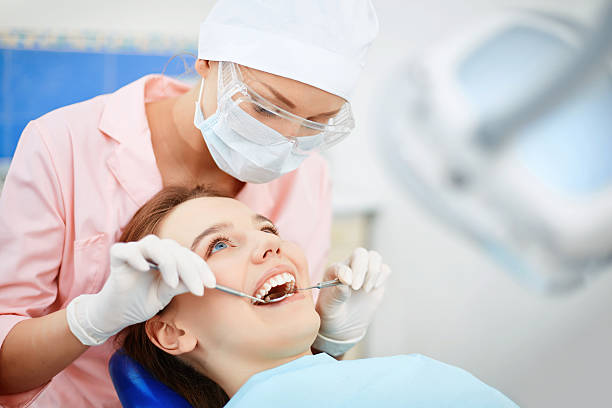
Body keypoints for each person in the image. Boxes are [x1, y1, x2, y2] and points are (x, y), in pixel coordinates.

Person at [0, 1, 381, 406]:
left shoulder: (309, 175)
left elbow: (290, 364)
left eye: (315, 123)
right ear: (208, 61)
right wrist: (93, 319)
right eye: (266, 108)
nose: (284, 143)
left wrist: (330, 338)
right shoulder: (64, 145)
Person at [115, 186, 517, 408]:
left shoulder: (417, 376)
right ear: (171, 331)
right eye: (218, 246)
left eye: (268, 230)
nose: (269, 246)